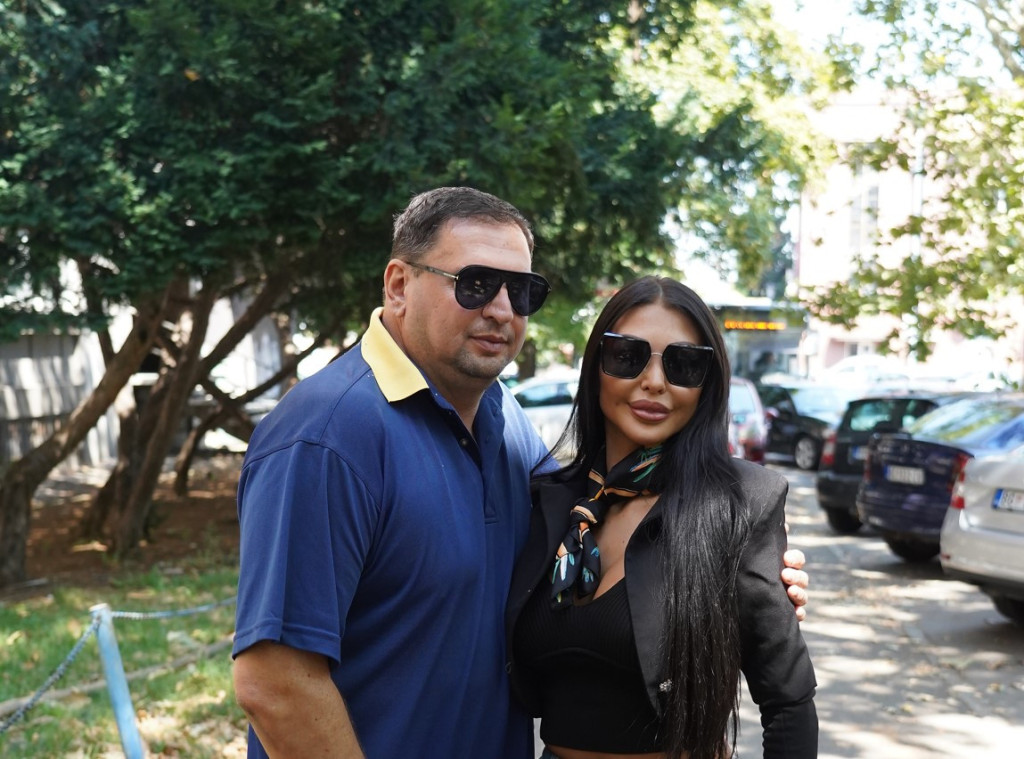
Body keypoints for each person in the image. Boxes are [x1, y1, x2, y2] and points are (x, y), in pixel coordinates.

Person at [231, 187, 809, 758]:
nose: (502, 309)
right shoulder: (326, 436)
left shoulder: (502, 418)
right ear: (399, 285)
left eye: (521, 290)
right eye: (475, 283)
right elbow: (275, 685)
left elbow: (603, 510)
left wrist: (741, 556)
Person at [506, 276, 818, 759]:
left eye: (683, 364)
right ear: (595, 368)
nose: (654, 381)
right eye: (627, 356)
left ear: (707, 383)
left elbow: (789, 703)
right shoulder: (549, 500)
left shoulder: (740, 504)